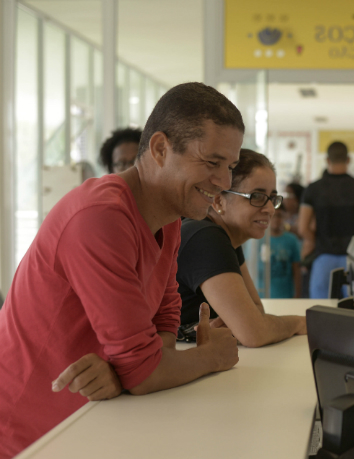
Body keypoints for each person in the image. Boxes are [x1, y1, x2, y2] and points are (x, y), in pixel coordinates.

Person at [0, 82, 242, 458]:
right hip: (29, 436)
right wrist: (211, 356)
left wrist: (130, 370)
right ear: (161, 149)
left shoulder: (169, 216)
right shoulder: (100, 216)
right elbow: (145, 372)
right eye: (212, 163)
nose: (225, 182)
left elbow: (165, 312)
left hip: (94, 419)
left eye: (230, 167)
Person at [177, 149, 306, 347]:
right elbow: (255, 333)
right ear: (219, 201)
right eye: (256, 196)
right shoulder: (206, 236)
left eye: (272, 198)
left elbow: (256, 313)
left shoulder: (226, 237)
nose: (270, 209)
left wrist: (246, 324)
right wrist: (297, 322)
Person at [299, 141, 354, 299]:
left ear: (327, 160)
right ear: (349, 159)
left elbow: (302, 228)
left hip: (323, 258)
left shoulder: (314, 189)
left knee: (321, 312)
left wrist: (315, 241)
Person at [258, 203, 302, 298]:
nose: (276, 220)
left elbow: (296, 269)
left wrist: (297, 295)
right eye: (273, 216)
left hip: (285, 296)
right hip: (261, 295)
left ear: (285, 217)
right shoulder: (257, 239)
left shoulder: (291, 240)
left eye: (280, 216)